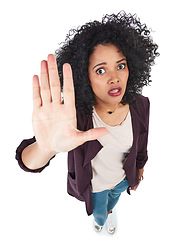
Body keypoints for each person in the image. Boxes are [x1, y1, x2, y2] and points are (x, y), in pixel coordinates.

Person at [16, 11, 159, 234]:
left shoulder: (140, 104)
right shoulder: (77, 115)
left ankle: (110, 213)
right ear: (85, 76)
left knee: (115, 202)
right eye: (101, 70)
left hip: (123, 180)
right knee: (100, 212)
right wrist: (45, 148)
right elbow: (29, 161)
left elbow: (142, 141)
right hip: (95, 189)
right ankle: (101, 221)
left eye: (120, 66)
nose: (115, 77)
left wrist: (140, 168)